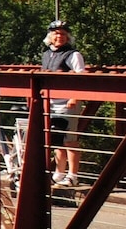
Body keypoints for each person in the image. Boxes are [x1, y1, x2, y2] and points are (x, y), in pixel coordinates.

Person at [42, 20, 86, 187]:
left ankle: (73, 175)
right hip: (51, 102)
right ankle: (59, 173)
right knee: (57, 139)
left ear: (68, 37)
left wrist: (74, 97)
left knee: (70, 139)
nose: (59, 36)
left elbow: (81, 78)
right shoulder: (47, 54)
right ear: (50, 36)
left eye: (63, 34)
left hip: (67, 103)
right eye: (56, 33)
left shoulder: (73, 55)